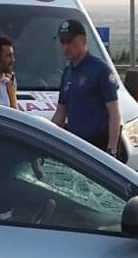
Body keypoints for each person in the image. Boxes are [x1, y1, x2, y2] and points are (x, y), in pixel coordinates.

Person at [50, 19, 120, 157]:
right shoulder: (67, 73)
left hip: (97, 144)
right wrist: (45, 134)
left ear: (83, 41)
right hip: (76, 144)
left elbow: (114, 113)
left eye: (70, 41)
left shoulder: (100, 70)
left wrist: (112, 149)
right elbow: (60, 113)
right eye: (62, 42)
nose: (65, 47)